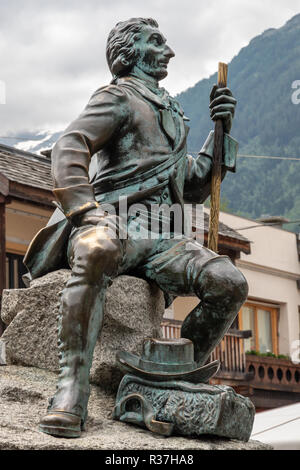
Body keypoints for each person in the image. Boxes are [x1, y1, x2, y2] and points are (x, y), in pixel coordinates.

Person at [24, 17, 248, 438]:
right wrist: (86, 212)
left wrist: (219, 135)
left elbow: (193, 184)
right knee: (97, 251)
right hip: (117, 220)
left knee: (229, 281)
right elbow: (71, 145)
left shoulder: (173, 112)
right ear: (131, 51)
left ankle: (173, 375)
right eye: (157, 41)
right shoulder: (118, 97)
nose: (170, 50)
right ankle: (71, 387)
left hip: (165, 233)